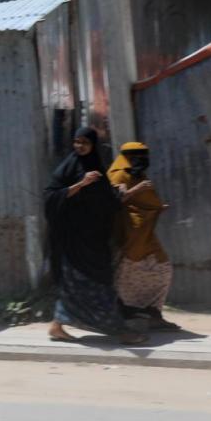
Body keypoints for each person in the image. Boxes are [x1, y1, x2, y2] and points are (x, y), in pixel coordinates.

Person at [44, 127, 145, 345]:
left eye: (85, 143)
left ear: (93, 145)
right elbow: (51, 197)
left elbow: (107, 203)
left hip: (95, 239)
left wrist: (124, 192)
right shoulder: (68, 168)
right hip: (74, 241)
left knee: (81, 285)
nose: (80, 146)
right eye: (76, 141)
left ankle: (56, 326)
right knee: (97, 286)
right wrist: (81, 184)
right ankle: (119, 331)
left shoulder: (97, 167)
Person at [109, 142, 180, 331]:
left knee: (163, 267)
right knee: (129, 273)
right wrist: (138, 189)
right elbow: (115, 200)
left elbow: (143, 201)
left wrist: (155, 208)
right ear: (129, 156)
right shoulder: (119, 174)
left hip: (144, 232)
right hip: (129, 235)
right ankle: (127, 313)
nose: (144, 160)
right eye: (139, 156)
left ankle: (153, 312)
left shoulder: (136, 173)